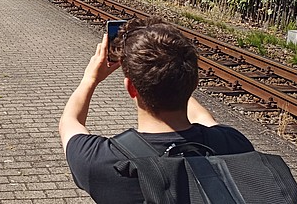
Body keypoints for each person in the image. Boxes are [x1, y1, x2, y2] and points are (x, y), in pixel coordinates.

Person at [58, 17, 254, 203]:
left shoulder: (103, 162)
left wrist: (90, 80)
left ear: (131, 88)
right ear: (194, 83)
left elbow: (69, 122)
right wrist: (174, 77)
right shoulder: (233, 144)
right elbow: (205, 119)